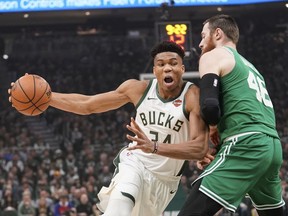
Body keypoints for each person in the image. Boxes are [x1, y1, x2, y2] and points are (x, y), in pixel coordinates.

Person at [8, 41, 211, 216]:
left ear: (182, 69)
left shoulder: (192, 95)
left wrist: (154, 147)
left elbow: (198, 149)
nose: (167, 68)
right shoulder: (138, 89)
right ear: (154, 70)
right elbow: (89, 104)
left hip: (164, 181)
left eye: (173, 63)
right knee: (121, 198)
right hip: (136, 160)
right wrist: (47, 98)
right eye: (161, 64)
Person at [174, 14, 286, 216]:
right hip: (272, 147)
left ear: (217, 33)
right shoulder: (251, 67)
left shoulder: (213, 55)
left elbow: (209, 106)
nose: (199, 44)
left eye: (202, 35)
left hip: (246, 143)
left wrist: (210, 134)